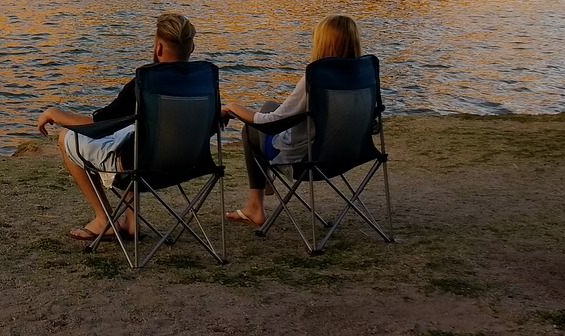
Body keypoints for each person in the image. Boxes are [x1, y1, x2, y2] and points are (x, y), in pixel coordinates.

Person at [36, 13, 196, 241]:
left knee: (67, 136)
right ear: (192, 48)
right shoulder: (203, 82)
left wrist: (56, 113)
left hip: (139, 167)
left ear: (159, 48)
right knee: (137, 131)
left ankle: (104, 219)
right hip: (187, 164)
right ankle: (131, 221)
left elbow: (100, 124)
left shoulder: (144, 83)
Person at [221, 14, 363, 226]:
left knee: (250, 130)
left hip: (306, 160)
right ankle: (265, 180)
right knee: (270, 104)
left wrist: (233, 107)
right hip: (349, 154)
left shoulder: (314, 81)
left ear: (322, 44)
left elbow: (270, 122)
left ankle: (255, 205)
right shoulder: (363, 77)